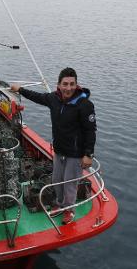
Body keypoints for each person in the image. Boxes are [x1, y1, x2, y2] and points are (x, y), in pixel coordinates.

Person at [11, 67, 96, 224]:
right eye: (65, 84)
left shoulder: (85, 105)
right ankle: (60, 204)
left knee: (70, 183)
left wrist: (88, 154)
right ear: (59, 85)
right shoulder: (53, 99)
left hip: (75, 153)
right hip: (59, 150)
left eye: (72, 84)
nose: (68, 88)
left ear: (77, 85)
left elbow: (91, 131)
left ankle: (69, 211)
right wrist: (20, 89)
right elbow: (36, 96)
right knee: (57, 180)